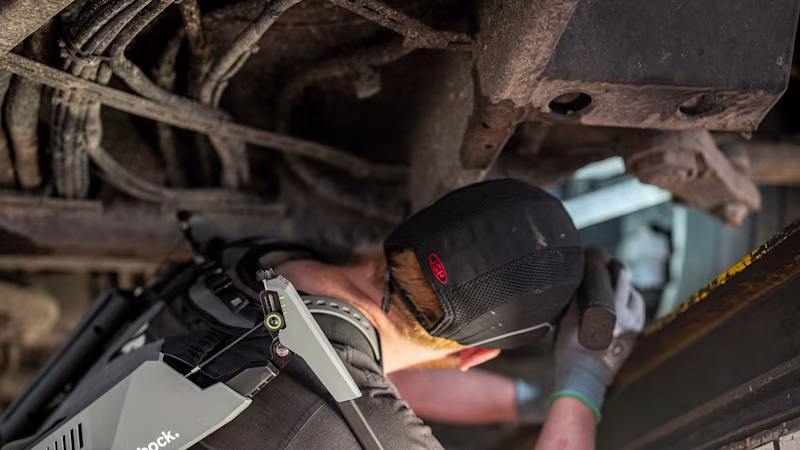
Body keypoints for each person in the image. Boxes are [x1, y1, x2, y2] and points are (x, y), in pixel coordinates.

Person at [2, 178, 644, 450]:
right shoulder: (366, 427)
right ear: (475, 352)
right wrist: (580, 386)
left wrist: (532, 400)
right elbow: (370, 393)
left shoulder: (259, 259)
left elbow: (363, 375)